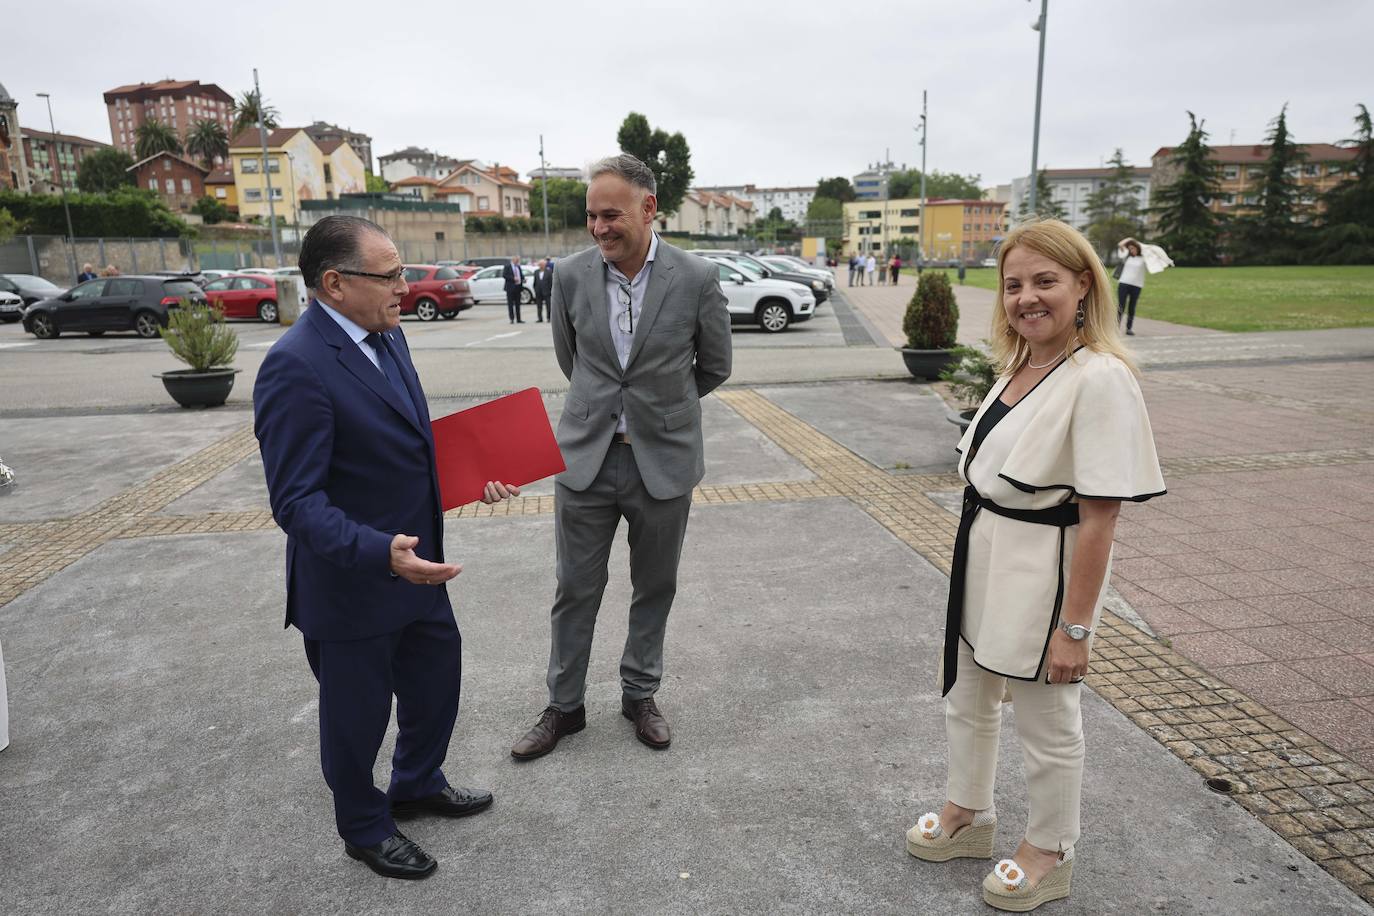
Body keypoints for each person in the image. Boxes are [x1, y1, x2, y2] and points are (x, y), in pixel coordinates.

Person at [905, 219, 1164, 912]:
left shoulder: (1100, 379)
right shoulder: (1019, 367)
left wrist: (1074, 629)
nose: (1027, 297)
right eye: (1014, 284)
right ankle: (969, 812)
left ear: (1083, 285)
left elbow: (1101, 516)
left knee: (1048, 717)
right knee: (969, 695)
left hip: (1044, 571)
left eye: (1045, 281)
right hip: (984, 555)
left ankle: (1051, 849)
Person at [254, 215, 519, 881]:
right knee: (356, 718)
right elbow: (296, 503)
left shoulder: (386, 334)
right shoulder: (295, 366)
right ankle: (364, 826)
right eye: (391, 275)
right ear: (335, 284)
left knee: (436, 687)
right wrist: (380, 552)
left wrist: (471, 474)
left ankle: (417, 783)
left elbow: (404, 441)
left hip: (419, 570)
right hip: (354, 582)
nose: (408, 286)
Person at [510, 153, 731, 760]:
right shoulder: (572, 275)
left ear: (648, 209)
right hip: (586, 460)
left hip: (663, 460)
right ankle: (564, 706)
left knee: (654, 585)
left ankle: (640, 694)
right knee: (574, 586)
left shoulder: (696, 278)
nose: (600, 227)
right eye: (591, 216)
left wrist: (659, 409)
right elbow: (571, 358)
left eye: (612, 215)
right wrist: (604, 410)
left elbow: (714, 366)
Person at [1115, 240, 1146, 336]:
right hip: (1123, 283)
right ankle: (1116, 328)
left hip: (1137, 285)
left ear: (1138, 248)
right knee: (1121, 306)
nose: (1131, 250)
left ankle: (1129, 328)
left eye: (1133, 248)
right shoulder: (1126, 256)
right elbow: (1120, 244)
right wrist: (1130, 239)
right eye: (1130, 248)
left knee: (1132, 307)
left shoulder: (1143, 259)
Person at [503, 255, 525, 324]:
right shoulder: (507, 266)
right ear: (513, 260)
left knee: (518, 304)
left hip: (518, 287)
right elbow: (504, 275)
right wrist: (513, 278)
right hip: (510, 288)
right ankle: (512, 319)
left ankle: (519, 319)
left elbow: (521, 275)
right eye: (517, 260)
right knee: (510, 304)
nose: (518, 261)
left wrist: (523, 279)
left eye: (518, 260)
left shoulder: (518, 267)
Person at [534, 258, 555, 322]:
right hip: (538, 292)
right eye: (540, 264)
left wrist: (550, 291)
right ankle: (540, 318)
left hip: (547, 292)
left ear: (545, 265)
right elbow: (535, 282)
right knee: (539, 306)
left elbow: (551, 282)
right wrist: (535, 289)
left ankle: (549, 318)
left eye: (542, 264)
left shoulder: (549, 272)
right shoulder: (536, 272)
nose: (541, 265)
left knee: (548, 306)